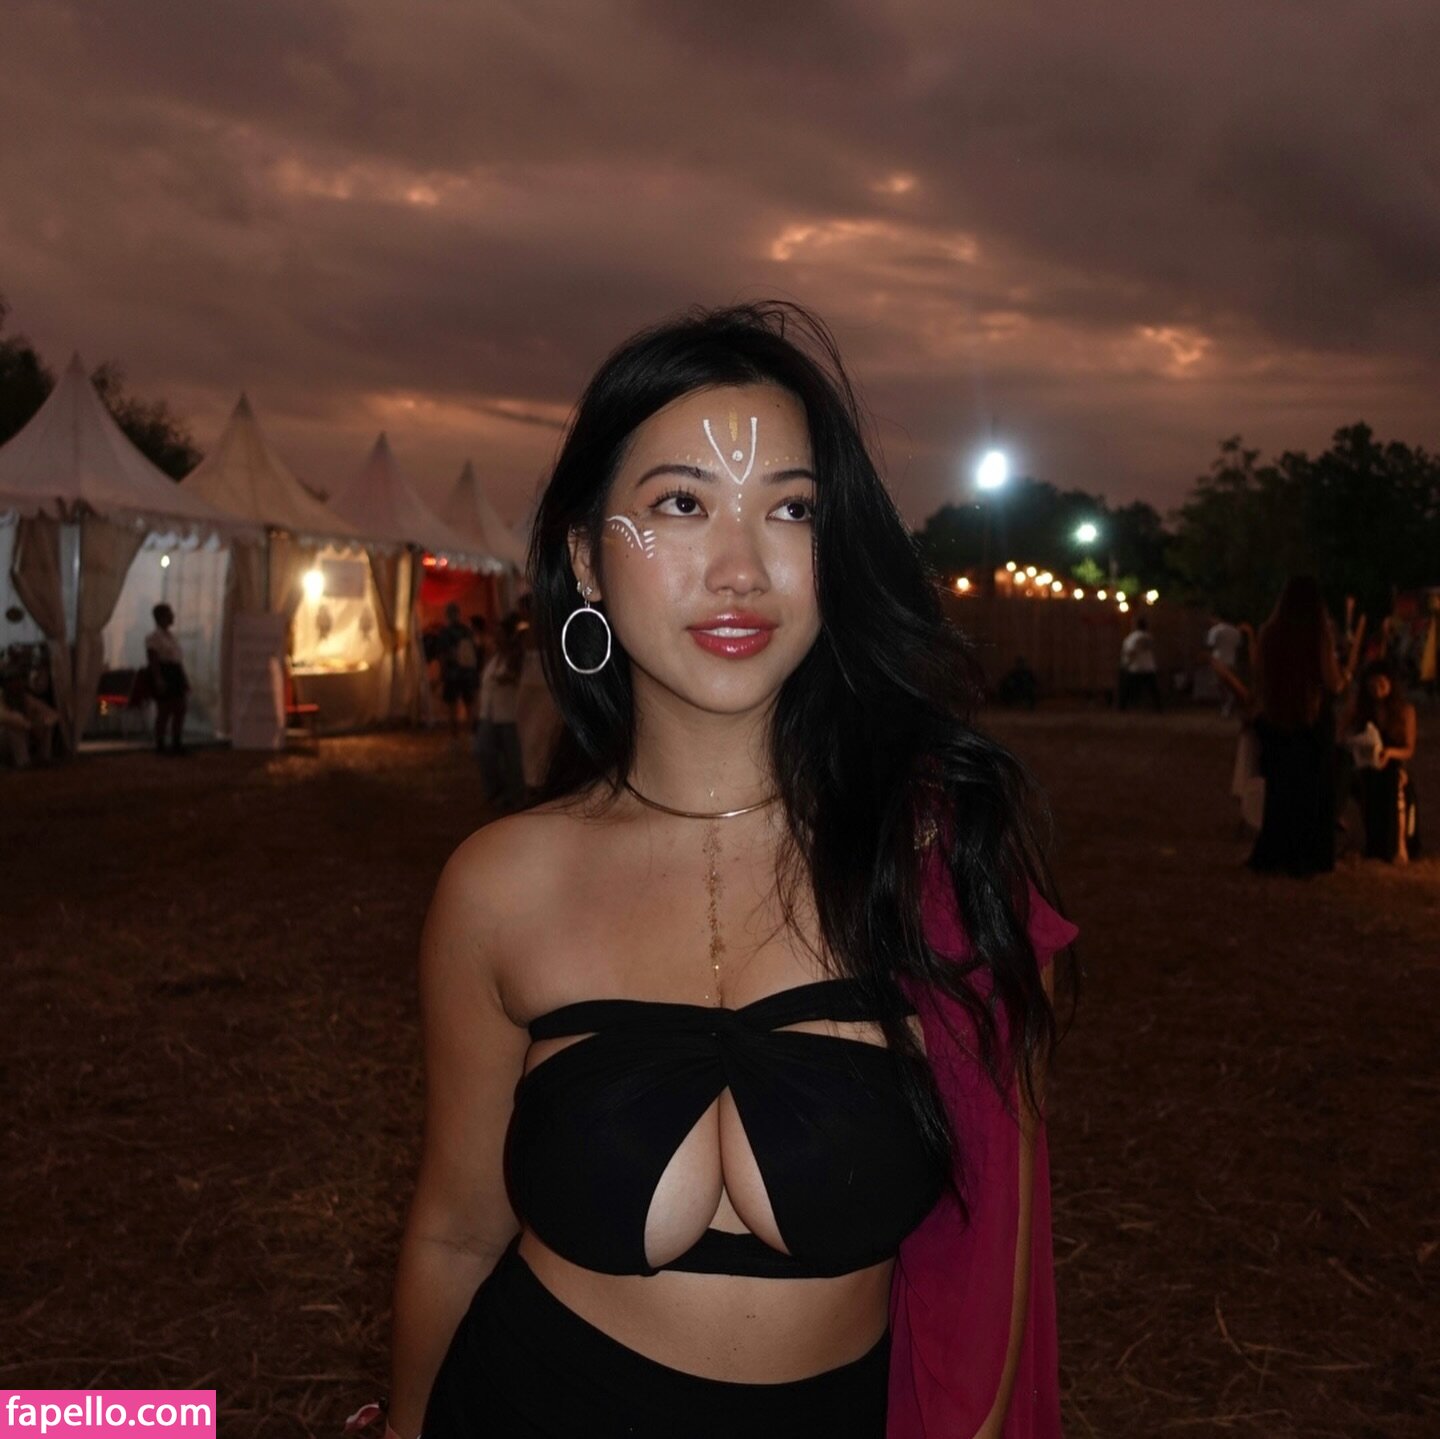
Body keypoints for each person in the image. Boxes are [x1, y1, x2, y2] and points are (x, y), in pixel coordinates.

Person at [383, 303, 1078, 1439]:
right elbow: (458, 1230)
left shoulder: (933, 861)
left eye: (791, 509)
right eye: (681, 503)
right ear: (584, 555)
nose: (742, 567)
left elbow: (992, 1269)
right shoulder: (501, 885)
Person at [1212, 576, 1357, 876]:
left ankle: (1276, 851)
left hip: (1277, 718)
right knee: (1313, 789)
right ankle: (1309, 855)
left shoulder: (1270, 633)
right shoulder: (1318, 636)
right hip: (1312, 719)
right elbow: (1332, 681)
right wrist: (1344, 678)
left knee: (1281, 789)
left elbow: (1260, 676)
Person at [1346, 658, 1419, 862]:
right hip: (1366, 764)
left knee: (1395, 781)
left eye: (1381, 684)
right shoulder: (1364, 709)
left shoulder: (1405, 711)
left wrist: (1388, 753)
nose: (1376, 690)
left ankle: (1399, 844)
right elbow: (1342, 735)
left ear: (1391, 684)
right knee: (1354, 782)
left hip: (1392, 763)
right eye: (1371, 686)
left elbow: (1409, 749)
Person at [473, 613, 525, 812]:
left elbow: (518, 677)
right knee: (484, 750)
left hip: (508, 714)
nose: (496, 637)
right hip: (489, 713)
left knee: (512, 758)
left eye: (500, 633)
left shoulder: (515, 656)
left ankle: (514, 795)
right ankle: (497, 792)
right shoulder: (494, 657)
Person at [143, 603, 189, 756]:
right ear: (161, 617)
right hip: (164, 672)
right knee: (164, 710)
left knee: (180, 708)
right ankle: (160, 744)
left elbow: (177, 659)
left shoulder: (172, 637)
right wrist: (158, 679)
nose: (173, 616)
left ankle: (176, 742)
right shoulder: (153, 637)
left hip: (175, 672)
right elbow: (153, 659)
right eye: (170, 613)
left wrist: (184, 678)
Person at [0, 666, 59, 768]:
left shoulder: (25, 698)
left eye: (18, 681)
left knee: (46, 725)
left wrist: (41, 723)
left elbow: (53, 715)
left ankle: (44, 759)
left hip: (25, 738)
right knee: (13, 728)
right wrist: (29, 725)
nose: (16, 685)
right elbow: (5, 717)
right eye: (12, 681)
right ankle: (23, 763)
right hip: (4, 743)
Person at [436, 603, 480, 738]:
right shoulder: (467, 631)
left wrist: (442, 673)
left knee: (452, 706)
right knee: (469, 704)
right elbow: (475, 650)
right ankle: (471, 734)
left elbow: (442, 655)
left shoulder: (445, 633)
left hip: (452, 674)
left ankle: (454, 735)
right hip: (467, 673)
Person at [1118, 614, 1161, 711]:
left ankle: (1122, 707)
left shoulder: (1133, 638)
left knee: (1126, 688)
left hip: (1135, 667)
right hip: (1148, 667)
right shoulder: (1148, 637)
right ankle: (1158, 708)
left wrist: (1126, 663)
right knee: (1153, 690)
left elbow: (1131, 652)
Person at [1205, 614, 1243, 717]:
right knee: (1229, 684)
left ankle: (1226, 705)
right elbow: (1238, 647)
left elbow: (1210, 645)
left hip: (1219, 660)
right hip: (1231, 660)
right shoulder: (1236, 631)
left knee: (1219, 684)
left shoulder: (1215, 630)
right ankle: (1228, 705)